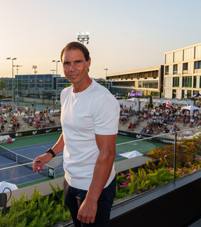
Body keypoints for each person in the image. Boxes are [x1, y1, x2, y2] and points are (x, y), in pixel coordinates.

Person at [33, 42, 119, 227]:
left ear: (88, 62)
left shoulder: (102, 99)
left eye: (77, 62)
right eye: (66, 63)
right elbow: (68, 133)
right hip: (70, 181)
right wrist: (50, 153)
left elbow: (108, 154)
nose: (71, 69)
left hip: (94, 188)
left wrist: (91, 200)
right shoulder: (65, 93)